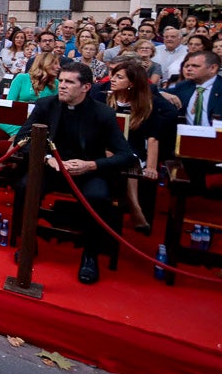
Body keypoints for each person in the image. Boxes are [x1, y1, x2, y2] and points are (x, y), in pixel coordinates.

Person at [14, 63, 137, 284]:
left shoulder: (103, 113)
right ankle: (28, 242)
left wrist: (90, 165)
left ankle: (90, 255)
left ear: (86, 87)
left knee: (98, 198)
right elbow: (21, 141)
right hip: (52, 168)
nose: (62, 86)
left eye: (70, 82)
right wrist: (47, 159)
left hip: (87, 171)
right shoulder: (45, 105)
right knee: (25, 187)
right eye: (61, 81)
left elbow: (126, 155)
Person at [105, 60, 178, 234]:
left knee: (126, 158)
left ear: (131, 83)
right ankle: (136, 209)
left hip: (133, 150)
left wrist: (152, 167)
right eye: (113, 75)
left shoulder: (146, 105)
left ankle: (134, 208)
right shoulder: (102, 97)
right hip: (104, 148)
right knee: (113, 154)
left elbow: (153, 139)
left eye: (119, 77)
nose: (112, 79)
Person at [0, 51, 61, 137]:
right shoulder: (22, 78)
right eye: (55, 63)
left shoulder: (56, 84)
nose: (59, 67)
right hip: (16, 120)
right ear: (43, 64)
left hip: (39, 123)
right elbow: (10, 105)